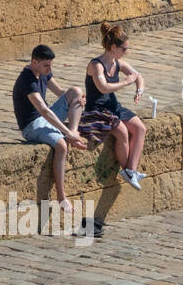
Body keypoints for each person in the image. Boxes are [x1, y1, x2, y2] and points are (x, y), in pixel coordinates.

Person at [12, 44, 87, 212]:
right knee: (61, 145)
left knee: (75, 90)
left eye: (51, 64)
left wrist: (79, 100)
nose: (49, 68)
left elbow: (61, 92)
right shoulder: (27, 80)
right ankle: (61, 196)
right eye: (46, 65)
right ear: (34, 62)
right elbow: (44, 111)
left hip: (45, 118)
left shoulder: (43, 72)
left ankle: (73, 132)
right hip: (32, 125)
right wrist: (65, 132)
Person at [81, 22, 148, 190]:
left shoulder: (118, 63)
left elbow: (137, 76)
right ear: (113, 47)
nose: (126, 52)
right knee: (122, 132)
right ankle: (127, 171)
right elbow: (103, 87)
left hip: (113, 106)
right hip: (96, 110)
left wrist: (139, 89)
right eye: (124, 49)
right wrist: (126, 82)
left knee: (140, 128)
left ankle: (131, 170)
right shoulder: (96, 65)